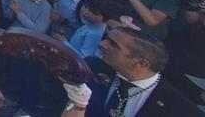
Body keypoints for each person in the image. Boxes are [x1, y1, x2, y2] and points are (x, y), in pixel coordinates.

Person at [61, 27, 200, 116]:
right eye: (107, 39)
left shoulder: (180, 109)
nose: (102, 44)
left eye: (113, 45)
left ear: (141, 63)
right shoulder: (92, 69)